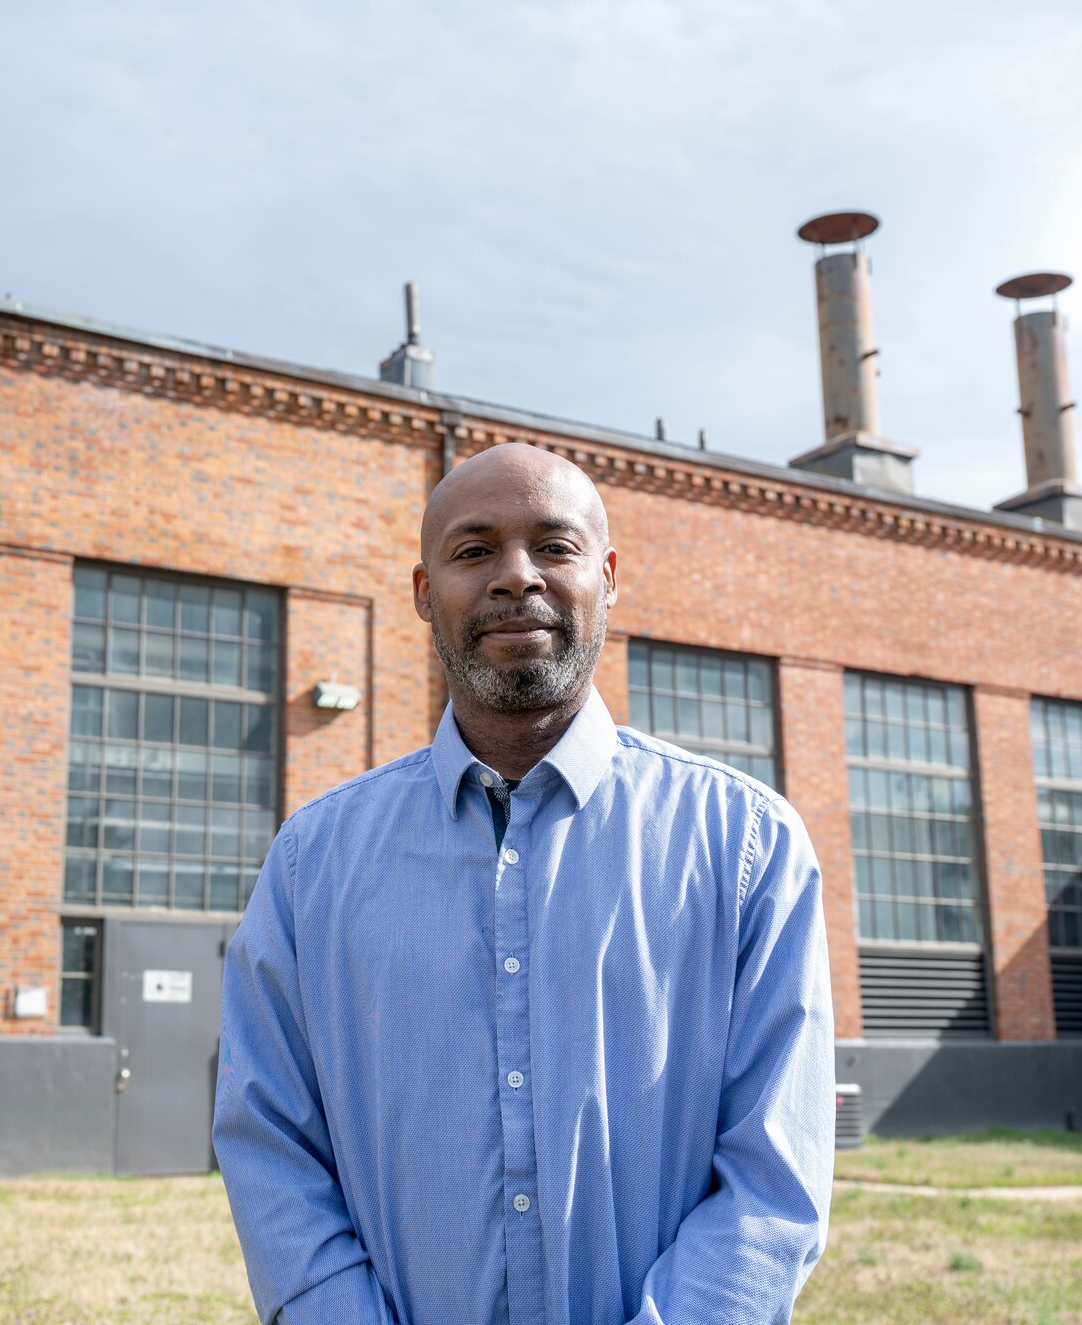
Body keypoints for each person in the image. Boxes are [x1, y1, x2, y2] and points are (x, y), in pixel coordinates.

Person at [213, 441, 834, 1324]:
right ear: (423, 591)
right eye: (474, 550)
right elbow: (270, 1144)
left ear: (607, 577)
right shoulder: (312, 863)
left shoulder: (748, 845)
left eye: (554, 546)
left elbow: (772, 1177)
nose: (516, 575)